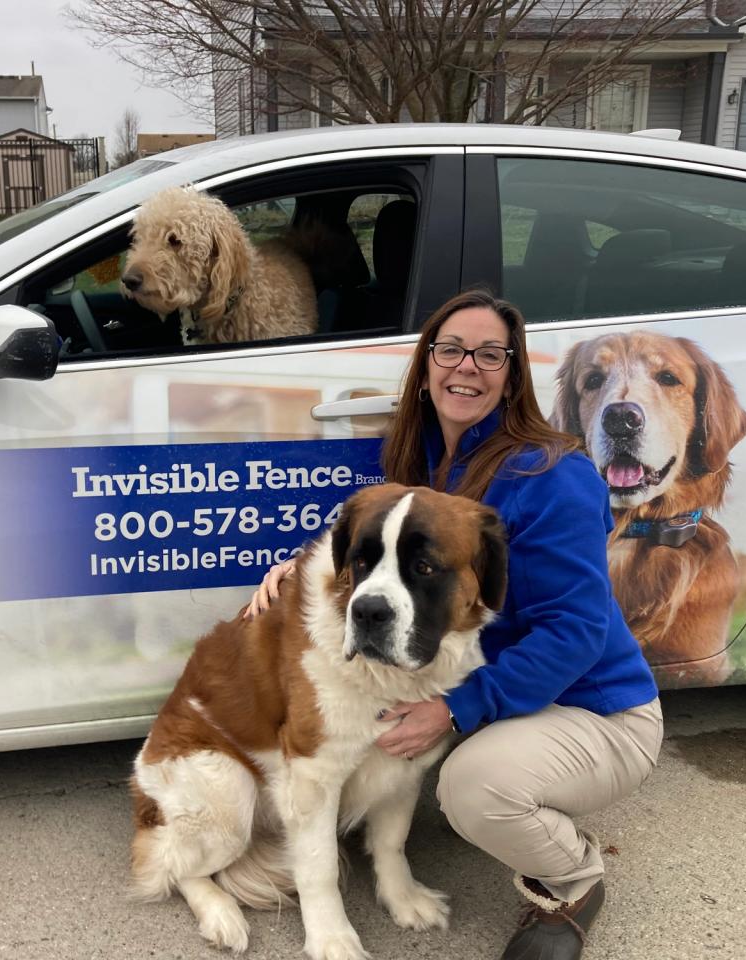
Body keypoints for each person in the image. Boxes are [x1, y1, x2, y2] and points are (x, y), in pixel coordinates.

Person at [246, 288, 663, 960]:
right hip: (513, 696)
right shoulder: (421, 459)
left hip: (594, 708)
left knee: (471, 789)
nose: (467, 367)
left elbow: (577, 632)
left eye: (490, 355)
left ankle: (573, 877)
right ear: (426, 365)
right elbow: (383, 547)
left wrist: (458, 708)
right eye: (451, 350)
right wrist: (301, 569)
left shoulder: (553, 476)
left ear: (513, 375)